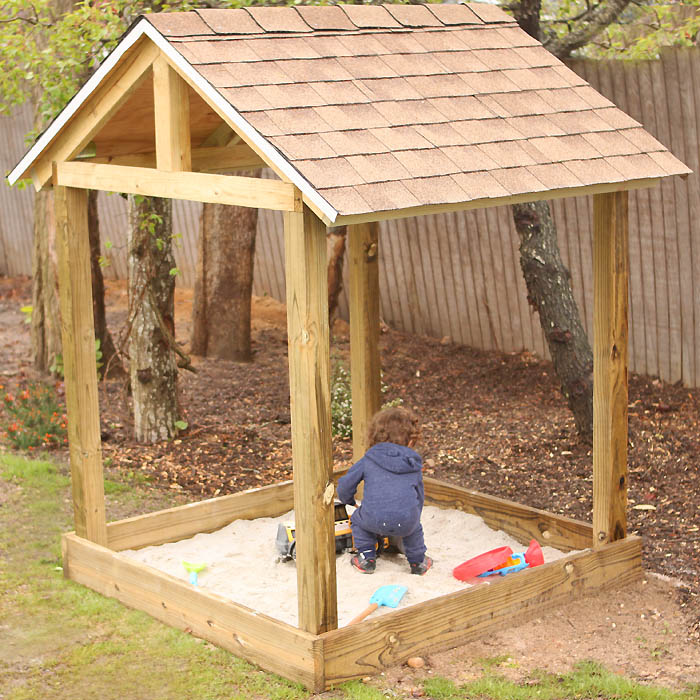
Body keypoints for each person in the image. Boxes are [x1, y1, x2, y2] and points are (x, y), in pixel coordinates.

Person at [336, 406, 433, 575]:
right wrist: (414, 514)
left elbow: (345, 485)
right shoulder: (413, 464)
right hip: (406, 522)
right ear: (411, 441)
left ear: (374, 436)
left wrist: (348, 501)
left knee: (358, 521)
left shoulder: (369, 459)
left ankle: (366, 558)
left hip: (373, 519)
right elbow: (419, 494)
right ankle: (418, 562)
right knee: (414, 528)